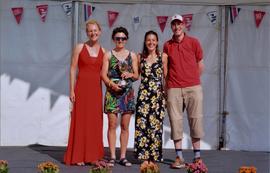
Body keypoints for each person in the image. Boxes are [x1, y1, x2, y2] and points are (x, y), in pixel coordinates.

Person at [163, 14, 205, 169]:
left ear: (184, 25)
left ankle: (197, 157)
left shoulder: (194, 42)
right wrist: (167, 85)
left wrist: (191, 79)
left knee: (196, 120)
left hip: (193, 87)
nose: (176, 27)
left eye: (179, 23)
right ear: (171, 27)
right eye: (174, 24)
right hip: (173, 88)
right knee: (175, 122)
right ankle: (179, 157)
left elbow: (200, 65)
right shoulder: (167, 45)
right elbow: (165, 67)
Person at [64, 19, 105, 166]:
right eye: (90, 31)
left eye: (95, 30)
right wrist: (71, 90)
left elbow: (105, 73)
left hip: (96, 90)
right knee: (81, 120)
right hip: (81, 88)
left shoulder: (104, 51)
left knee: (94, 122)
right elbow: (72, 68)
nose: (93, 33)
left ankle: (93, 156)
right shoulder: (80, 47)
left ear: (100, 32)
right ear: (87, 33)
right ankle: (78, 155)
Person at [101, 26, 139, 167]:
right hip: (112, 92)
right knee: (112, 125)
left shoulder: (132, 55)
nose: (120, 40)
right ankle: (112, 156)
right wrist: (111, 84)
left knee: (125, 126)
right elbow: (103, 74)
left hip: (127, 94)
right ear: (113, 39)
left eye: (123, 38)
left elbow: (136, 75)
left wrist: (130, 75)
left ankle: (123, 156)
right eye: (118, 38)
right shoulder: (108, 55)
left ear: (126, 39)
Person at [134, 30, 168, 163]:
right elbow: (136, 76)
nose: (151, 42)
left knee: (155, 127)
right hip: (143, 96)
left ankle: (153, 156)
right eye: (148, 40)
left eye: (153, 40)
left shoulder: (163, 56)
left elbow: (166, 77)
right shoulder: (139, 57)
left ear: (157, 42)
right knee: (142, 125)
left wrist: (165, 95)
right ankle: (143, 156)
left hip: (157, 97)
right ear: (145, 41)